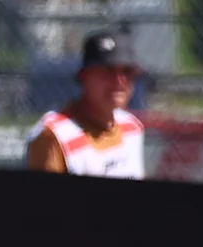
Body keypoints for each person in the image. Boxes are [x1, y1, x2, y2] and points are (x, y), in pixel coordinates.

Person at [25, 31, 144, 178]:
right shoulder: (55, 135)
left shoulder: (132, 127)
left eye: (127, 72)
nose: (119, 81)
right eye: (107, 71)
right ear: (84, 77)